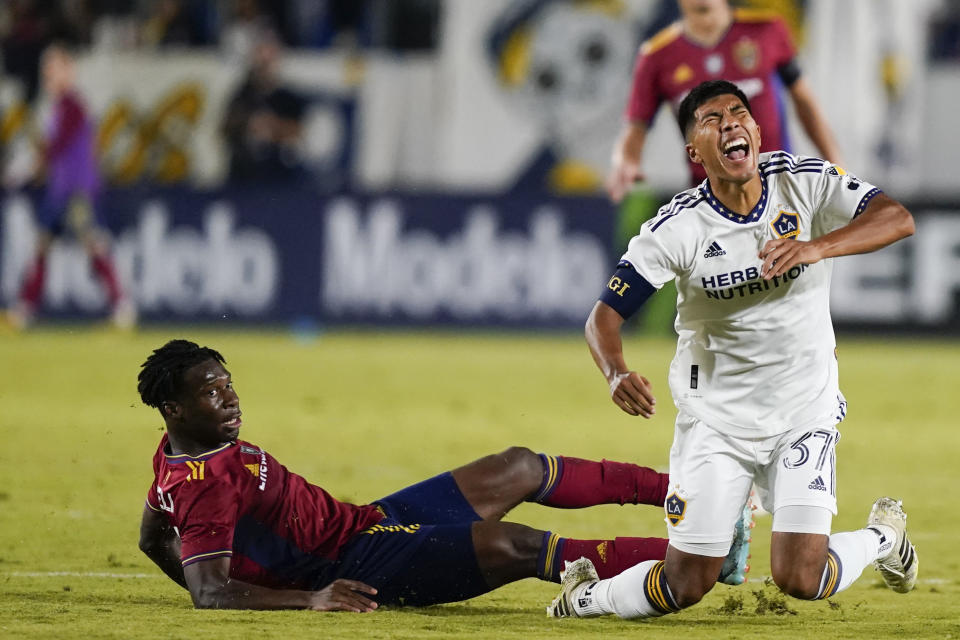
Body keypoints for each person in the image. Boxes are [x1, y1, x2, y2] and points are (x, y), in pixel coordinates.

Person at [548, 79, 917, 620]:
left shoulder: (804, 183)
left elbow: (897, 218)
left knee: (802, 577)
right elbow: (602, 318)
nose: (729, 123)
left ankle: (884, 538)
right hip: (715, 418)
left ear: (757, 130)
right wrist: (615, 373)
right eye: (711, 119)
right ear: (695, 153)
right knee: (686, 584)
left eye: (737, 113)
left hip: (803, 406)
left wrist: (815, 247)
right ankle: (584, 598)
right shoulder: (678, 228)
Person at [137, 339, 751, 611]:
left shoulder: (176, 459)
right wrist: (307, 595)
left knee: (518, 465)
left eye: (229, 385)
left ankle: (684, 491)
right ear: (174, 408)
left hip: (363, 522)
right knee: (517, 545)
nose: (231, 400)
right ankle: (705, 558)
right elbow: (209, 592)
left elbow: (150, 537)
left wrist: (249, 568)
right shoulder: (205, 485)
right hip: (350, 565)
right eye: (213, 393)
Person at [607, 0, 842, 200]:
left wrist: (836, 165)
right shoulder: (656, 56)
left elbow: (805, 103)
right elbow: (636, 125)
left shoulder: (766, 30)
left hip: (778, 188)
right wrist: (626, 162)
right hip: (710, 198)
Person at [6, 43, 134, 329]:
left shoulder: (72, 104)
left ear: (68, 71)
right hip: (60, 190)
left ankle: (122, 309)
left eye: (53, 68)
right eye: (46, 69)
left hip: (77, 191)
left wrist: (24, 168)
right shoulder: (58, 107)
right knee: (43, 245)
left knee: (92, 244)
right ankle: (24, 310)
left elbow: (57, 147)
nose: (48, 74)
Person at [221, 34, 308, 184]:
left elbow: (299, 131)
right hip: (243, 176)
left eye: (268, 61)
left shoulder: (287, 98)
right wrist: (249, 123)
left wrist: (274, 126)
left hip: (278, 176)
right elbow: (225, 126)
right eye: (260, 61)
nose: (264, 67)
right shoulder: (242, 93)